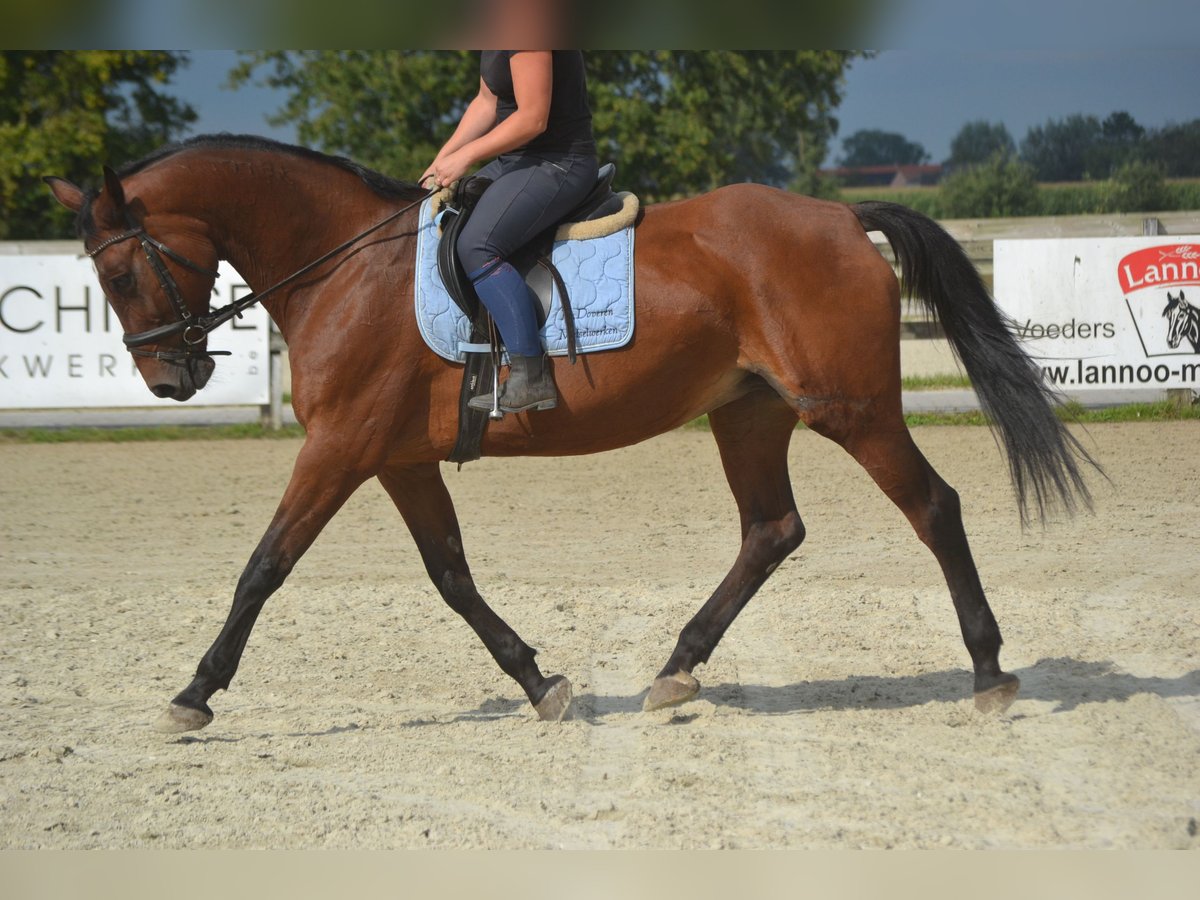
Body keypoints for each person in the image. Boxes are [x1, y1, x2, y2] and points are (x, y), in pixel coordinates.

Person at [421, 50, 598, 414]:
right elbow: (486, 103)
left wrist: (466, 157)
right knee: (442, 215)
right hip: (515, 160)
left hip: (558, 161)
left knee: (477, 245)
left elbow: (532, 119)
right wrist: (439, 161)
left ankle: (530, 375)